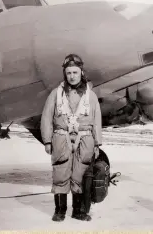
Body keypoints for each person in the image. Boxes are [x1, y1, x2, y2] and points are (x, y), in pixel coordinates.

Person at [40, 54, 102, 222]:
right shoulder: (56, 94)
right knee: (60, 173)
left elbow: (97, 120)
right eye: (68, 73)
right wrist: (47, 140)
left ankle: (78, 211)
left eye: (75, 72)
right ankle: (60, 210)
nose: (72, 76)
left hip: (85, 139)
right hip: (61, 138)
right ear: (65, 74)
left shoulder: (91, 96)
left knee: (80, 174)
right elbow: (46, 118)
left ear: (81, 72)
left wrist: (97, 143)